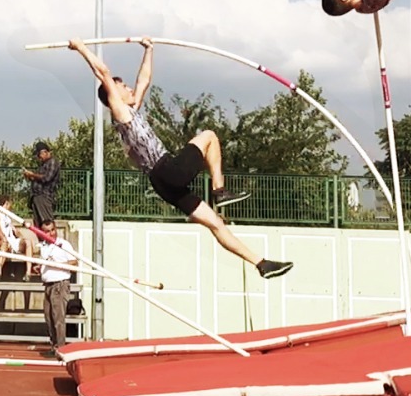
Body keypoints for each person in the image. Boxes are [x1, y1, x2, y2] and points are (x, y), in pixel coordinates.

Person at [68, 39, 293, 280]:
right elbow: (103, 72)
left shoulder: (130, 112)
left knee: (216, 223)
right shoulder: (119, 112)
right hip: (167, 170)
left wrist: (149, 50)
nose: (130, 89)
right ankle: (220, 190)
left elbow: (144, 80)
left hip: (162, 183)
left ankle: (260, 264)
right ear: (113, 94)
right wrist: (81, 48)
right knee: (209, 136)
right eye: (123, 87)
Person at [39, 224, 80, 358]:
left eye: (52, 230)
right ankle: (54, 345)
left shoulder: (63, 244)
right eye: (47, 231)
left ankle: (61, 348)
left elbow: (74, 262)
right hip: (48, 285)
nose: (50, 234)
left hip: (59, 284)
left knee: (58, 318)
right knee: (49, 318)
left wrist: (59, 265)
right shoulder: (44, 246)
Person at [22, 142, 60, 236]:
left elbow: (47, 178)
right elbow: (39, 178)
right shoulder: (43, 164)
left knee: (47, 223)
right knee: (38, 224)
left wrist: (32, 175)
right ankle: (43, 244)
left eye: (39, 155)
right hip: (37, 196)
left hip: (44, 196)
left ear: (45, 152)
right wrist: (30, 177)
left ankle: (54, 245)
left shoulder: (53, 162)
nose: (39, 158)